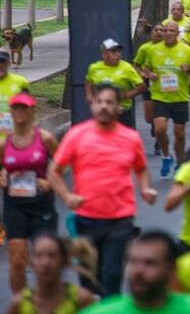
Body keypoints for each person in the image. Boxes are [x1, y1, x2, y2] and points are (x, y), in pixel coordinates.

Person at [49, 84, 157, 296]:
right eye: (100, 102)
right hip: (85, 218)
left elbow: (141, 169)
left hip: (120, 218)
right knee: (88, 280)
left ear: (119, 107)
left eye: (110, 102)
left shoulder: (130, 138)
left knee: (111, 276)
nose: (104, 107)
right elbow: (55, 170)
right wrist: (66, 196)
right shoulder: (77, 135)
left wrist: (145, 188)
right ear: (92, 105)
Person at [81, 231, 190, 314]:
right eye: (132, 261)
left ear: (172, 269)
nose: (138, 271)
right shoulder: (100, 312)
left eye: (150, 263)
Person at [1, 93, 59, 292]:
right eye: (15, 108)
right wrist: (2, 176)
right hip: (14, 204)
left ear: (32, 111)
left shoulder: (45, 138)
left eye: (24, 108)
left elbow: (61, 163)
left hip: (41, 203)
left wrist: (49, 180)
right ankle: (21, 305)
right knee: (17, 259)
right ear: (11, 111)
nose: (19, 112)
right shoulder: (4, 144)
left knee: (46, 259)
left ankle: (48, 303)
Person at [139, 21, 190, 177]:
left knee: (179, 133)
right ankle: (166, 156)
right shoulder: (153, 50)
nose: (168, 33)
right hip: (160, 96)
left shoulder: (186, 50)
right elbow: (145, 66)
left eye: (172, 31)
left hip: (180, 97)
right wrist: (149, 74)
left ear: (177, 33)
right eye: (166, 31)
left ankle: (179, 161)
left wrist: (189, 71)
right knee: (159, 129)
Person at [3, 232, 99, 314]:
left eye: (52, 256)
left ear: (64, 261)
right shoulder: (19, 304)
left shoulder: (82, 299)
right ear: (31, 263)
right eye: (39, 256)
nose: (45, 263)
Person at [84, 39, 145, 128]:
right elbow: (88, 81)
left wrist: (128, 95)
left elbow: (141, 86)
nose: (118, 54)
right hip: (102, 111)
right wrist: (89, 95)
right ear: (104, 54)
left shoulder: (126, 67)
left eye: (118, 51)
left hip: (122, 111)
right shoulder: (94, 68)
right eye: (113, 52)